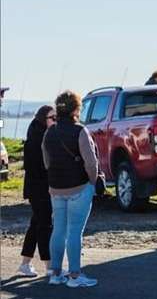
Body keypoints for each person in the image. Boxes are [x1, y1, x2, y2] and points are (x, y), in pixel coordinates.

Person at [42, 91, 99, 288]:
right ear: (76, 109)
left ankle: (55, 273)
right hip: (79, 186)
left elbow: (46, 161)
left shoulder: (49, 132)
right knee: (75, 232)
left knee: (58, 230)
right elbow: (91, 163)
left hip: (56, 188)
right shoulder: (80, 131)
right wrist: (92, 182)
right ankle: (75, 276)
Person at [17, 106, 56, 277]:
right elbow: (37, 168)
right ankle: (49, 266)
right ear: (43, 119)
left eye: (56, 117)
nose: (55, 120)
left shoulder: (41, 134)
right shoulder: (36, 139)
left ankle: (25, 263)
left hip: (39, 188)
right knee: (44, 225)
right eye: (51, 117)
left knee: (36, 224)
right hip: (39, 189)